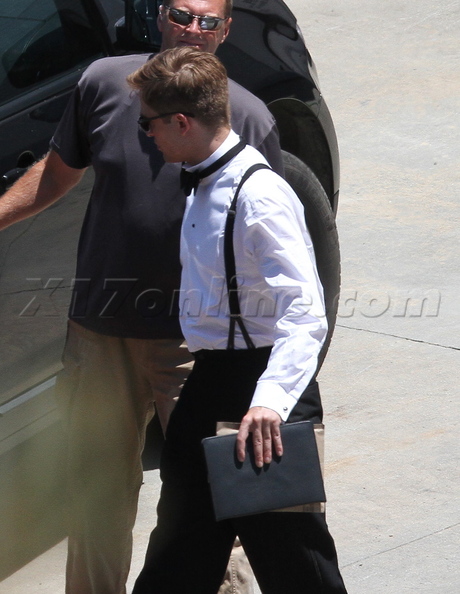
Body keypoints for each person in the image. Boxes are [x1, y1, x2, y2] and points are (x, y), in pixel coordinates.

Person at [0, 2, 284, 593]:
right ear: (160, 15)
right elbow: (57, 172)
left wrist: (266, 363)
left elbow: (267, 244)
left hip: (194, 345)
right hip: (100, 334)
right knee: (95, 493)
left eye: (209, 21)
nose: (193, 31)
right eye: (182, 15)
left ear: (226, 31)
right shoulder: (105, 84)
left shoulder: (250, 119)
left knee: (209, 495)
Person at [128, 46, 348, 594]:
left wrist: (270, 402)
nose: (146, 134)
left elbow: (304, 311)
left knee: (296, 565)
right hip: (211, 383)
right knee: (178, 552)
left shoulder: (260, 196)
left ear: (182, 122)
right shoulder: (199, 180)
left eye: (149, 123)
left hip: (261, 394)